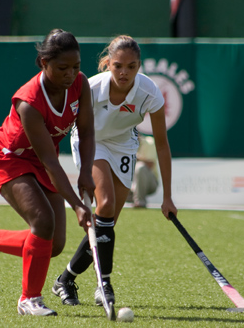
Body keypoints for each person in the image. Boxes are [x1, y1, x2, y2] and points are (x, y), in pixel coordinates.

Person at [0, 29, 95, 317]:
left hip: (39, 161)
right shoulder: (29, 102)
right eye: (62, 68)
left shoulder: (80, 84)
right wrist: (77, 204)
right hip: (9, 158)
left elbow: (86, 131)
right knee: (42, 220)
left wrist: (86, 171)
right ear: (43, 63)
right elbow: (51, 163)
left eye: (75, 66)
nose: (70, 74)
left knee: (53, 245)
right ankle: (30, 300)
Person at [52, 35, 178, 307]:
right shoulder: (91, 87)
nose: (125, 72)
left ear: (139, 66)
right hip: (90, 141)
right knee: (105, 203)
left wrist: (167, 197)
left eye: (132, 67)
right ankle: (104, 285)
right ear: (108, 64)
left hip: (124, 147)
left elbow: (162, 146)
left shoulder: (150, 93)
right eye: (118, 65)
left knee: (104, 223)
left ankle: (65, 279)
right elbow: (70, 124)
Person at [128, 134, 159, 208]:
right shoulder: (121, 144)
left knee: (140, 167)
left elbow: (150, 164)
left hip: (150, 183)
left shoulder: (149, 142)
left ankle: (140, 202)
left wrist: (135, 157)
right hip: (128, 187)